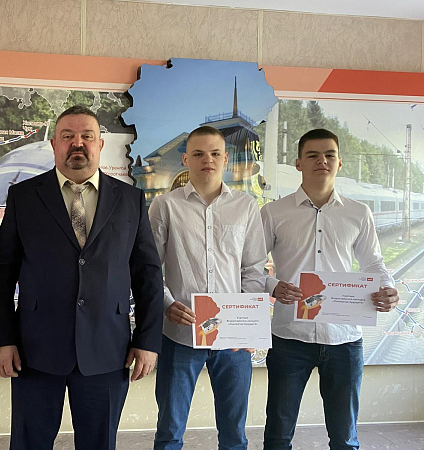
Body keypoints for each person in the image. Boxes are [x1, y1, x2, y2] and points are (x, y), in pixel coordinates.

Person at [0, 105, 163, 450]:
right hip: (35, 350)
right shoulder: (24, 196)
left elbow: (148, 275)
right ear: (54, 144)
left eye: (87, 136)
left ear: (100, 145)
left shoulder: (130, 199)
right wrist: (2, 339)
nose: (77, 143)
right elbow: (2, 273)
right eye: (67, 136)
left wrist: (147, 340)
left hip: (107, 349)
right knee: (29, 443)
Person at [261, 128, 399, 450]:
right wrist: (273, 286)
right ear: (298, 163)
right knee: (278, 435)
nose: (321, 161)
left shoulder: (358, 213)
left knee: (345, 438)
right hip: (289, 337)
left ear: (339, 163)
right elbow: (252, 266)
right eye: (312, 155)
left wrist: (388, 288)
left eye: (329, 155)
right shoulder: (273, 213)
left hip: (344, 340)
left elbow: (373, 264)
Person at [148, 126, 267, 450]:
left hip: (232, 339)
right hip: (180, 335)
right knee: (170, 431)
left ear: (225, 159)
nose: (207, 160)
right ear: (186, 159)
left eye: (215, 153)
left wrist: (248, 323)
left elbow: (253, 269)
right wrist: (167, 304)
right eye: (198, 154)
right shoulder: (165, 206)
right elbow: (149, 269)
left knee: (234, 434)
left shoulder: (245, 206)